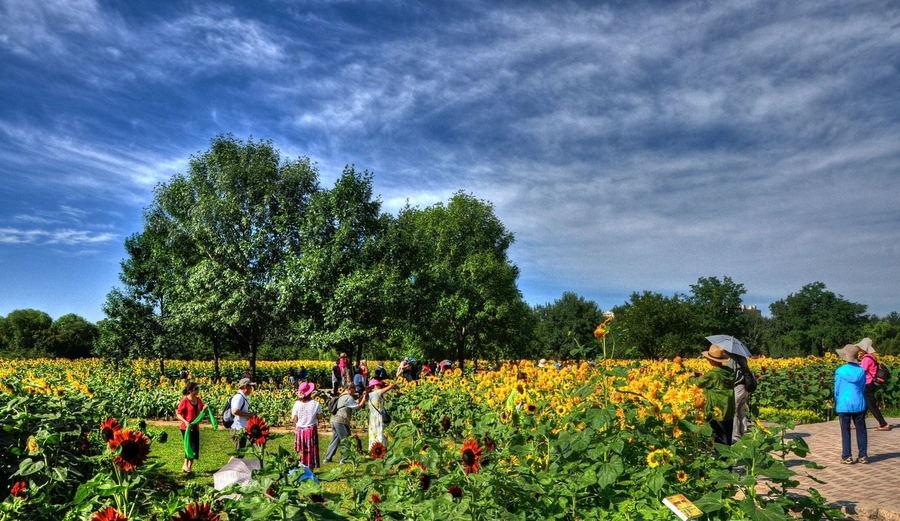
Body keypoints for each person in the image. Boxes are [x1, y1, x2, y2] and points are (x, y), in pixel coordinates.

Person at [694, 345, 736, 446]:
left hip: (717, 406)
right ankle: (727, 455)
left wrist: (691, 377)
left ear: (711, 360)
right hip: (729, 405)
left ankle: (721, 457)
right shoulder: (729, 371)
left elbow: (698, 383)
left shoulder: (712, 374)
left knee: (718, 434)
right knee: (728, 432)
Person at [835, 344, 868, 464]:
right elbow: (863, 387)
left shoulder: (840, 371)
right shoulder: (861, 371)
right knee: (861, 430)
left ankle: (847, 456)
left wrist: (838, 400)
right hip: (859, 403)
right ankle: (863, 455)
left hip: (844, 404)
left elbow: (837, 390)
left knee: (846, 431)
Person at [324, 385, 366, 464]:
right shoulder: (348, 397)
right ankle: (344, 459)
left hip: (334, 420)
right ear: (350, 389)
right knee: (346, 440)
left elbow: (353, 402)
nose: (354, 392)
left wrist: (361, 397)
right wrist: (364, 398)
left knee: (335, 439)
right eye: (354, 390)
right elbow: (358, 406)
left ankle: (327, 458)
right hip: (341, 420)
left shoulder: (341, 396)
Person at [857, 338, 892, 431]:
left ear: (865, 348)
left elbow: (861, 371)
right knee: (865, 404)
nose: (859, 350)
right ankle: (859, 423)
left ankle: (883, 424)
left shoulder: (866, 358)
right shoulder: (871, 357)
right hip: (871, 383)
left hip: (868, 384)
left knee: (871, 405)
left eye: (861, 348)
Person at [291, 382, 323, 469]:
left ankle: (299, 467)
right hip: (311, 430)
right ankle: (310, 468)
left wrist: (296, 426)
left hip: (300, 430)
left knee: (300, 449)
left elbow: (294, 418)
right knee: (310, 450)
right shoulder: (315, 404)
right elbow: (319, 416)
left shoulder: (297, 404)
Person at [174, 382, 204, 473]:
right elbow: (178, 414)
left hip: (195, 427)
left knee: (195, 448)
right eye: (196, 389)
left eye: (198, 388)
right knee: (189, 447)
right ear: (190, 391)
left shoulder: (198, 400)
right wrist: (185, 422)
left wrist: (205, 408)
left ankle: (189, 467)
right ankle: (185, 465)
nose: (198, 390)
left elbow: (202, 408)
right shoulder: (185, 400)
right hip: (186, 428)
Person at [728, 352, 757, 442]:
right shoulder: (742, 358)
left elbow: (731, 374)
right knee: (741, 410)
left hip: (737, 387)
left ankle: (735, 436)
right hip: (745, 387)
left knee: (733, 411)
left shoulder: (732, 359)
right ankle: (744, 430)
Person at [367, 379, 396, 449]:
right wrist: (392, 384)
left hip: (373, 417)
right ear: (373, 386)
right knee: (380, 432)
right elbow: (390, 387)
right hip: (378, 417)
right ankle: (381, 448)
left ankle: (373, 448)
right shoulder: (376, 393)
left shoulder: (370, 395)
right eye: (378, 385)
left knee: (373, 433)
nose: (379, 386)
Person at [230, 378, 256, 450]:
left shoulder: (242, 397)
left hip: (241, 428)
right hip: (238, 429)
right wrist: (249, 415)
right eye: (250, 386)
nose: (251, 388)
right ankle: (233, 462)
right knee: (238, 454)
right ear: (245, 387)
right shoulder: (239, 397)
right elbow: (235, 411)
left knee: (239, 453)